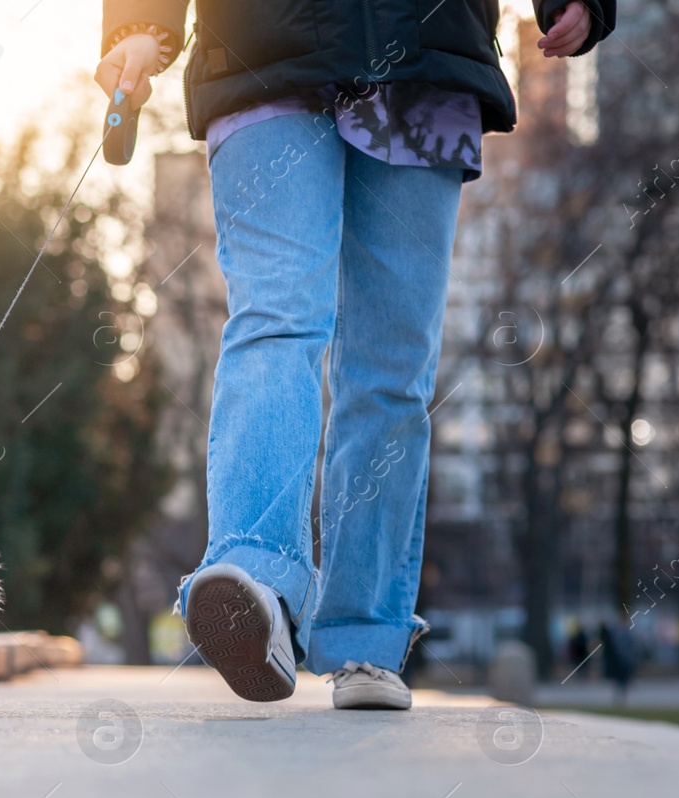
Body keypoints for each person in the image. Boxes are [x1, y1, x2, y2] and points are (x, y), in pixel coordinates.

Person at [97, 0, 614, 709]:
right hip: (261, 50)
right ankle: (256, 583)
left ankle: (364, 636)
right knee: (278, 318)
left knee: (391, 366)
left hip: (424, 56)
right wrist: (136, 27)